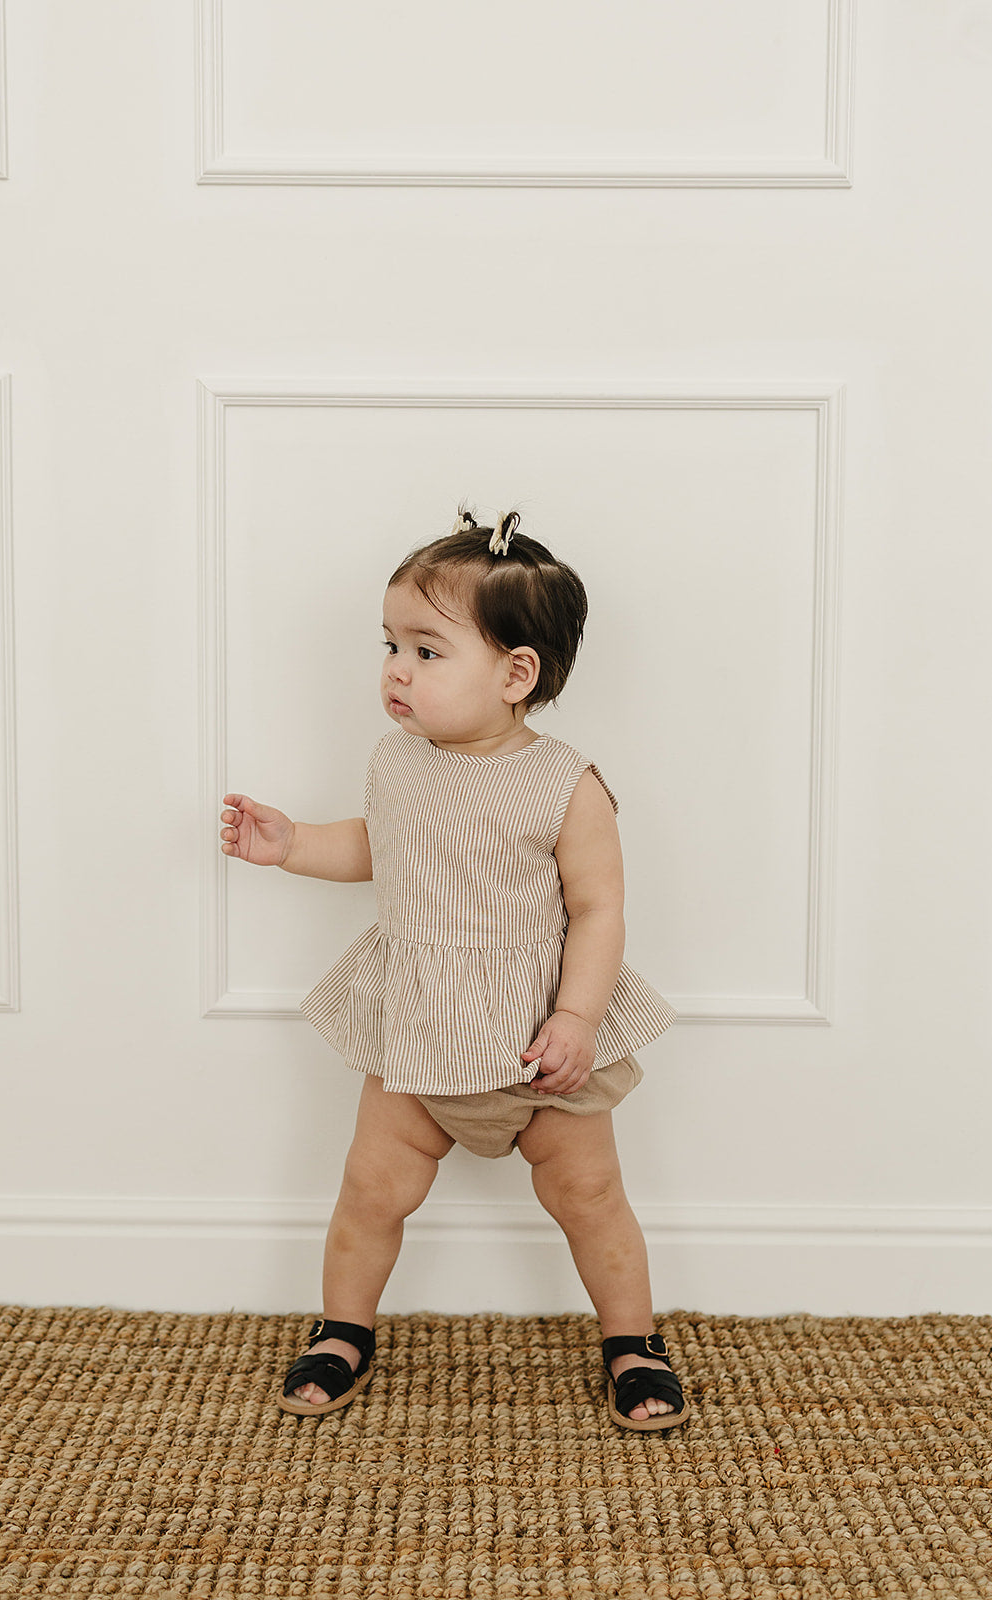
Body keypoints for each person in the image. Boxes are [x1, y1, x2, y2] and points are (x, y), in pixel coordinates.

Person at [219, 504, 688, 1431]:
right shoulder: (397, 762)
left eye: (427, 651)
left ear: (516, 674)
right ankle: (343, 1327)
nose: (396, 669)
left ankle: (633, 1341)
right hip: (419, 1029)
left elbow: (598, 909)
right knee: (370, 1189)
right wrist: (294, 844)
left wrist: (576, 1019)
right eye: (390, 645)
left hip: (535, 1039)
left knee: (589, 1196)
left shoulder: (565, 784)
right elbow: (385, 848)